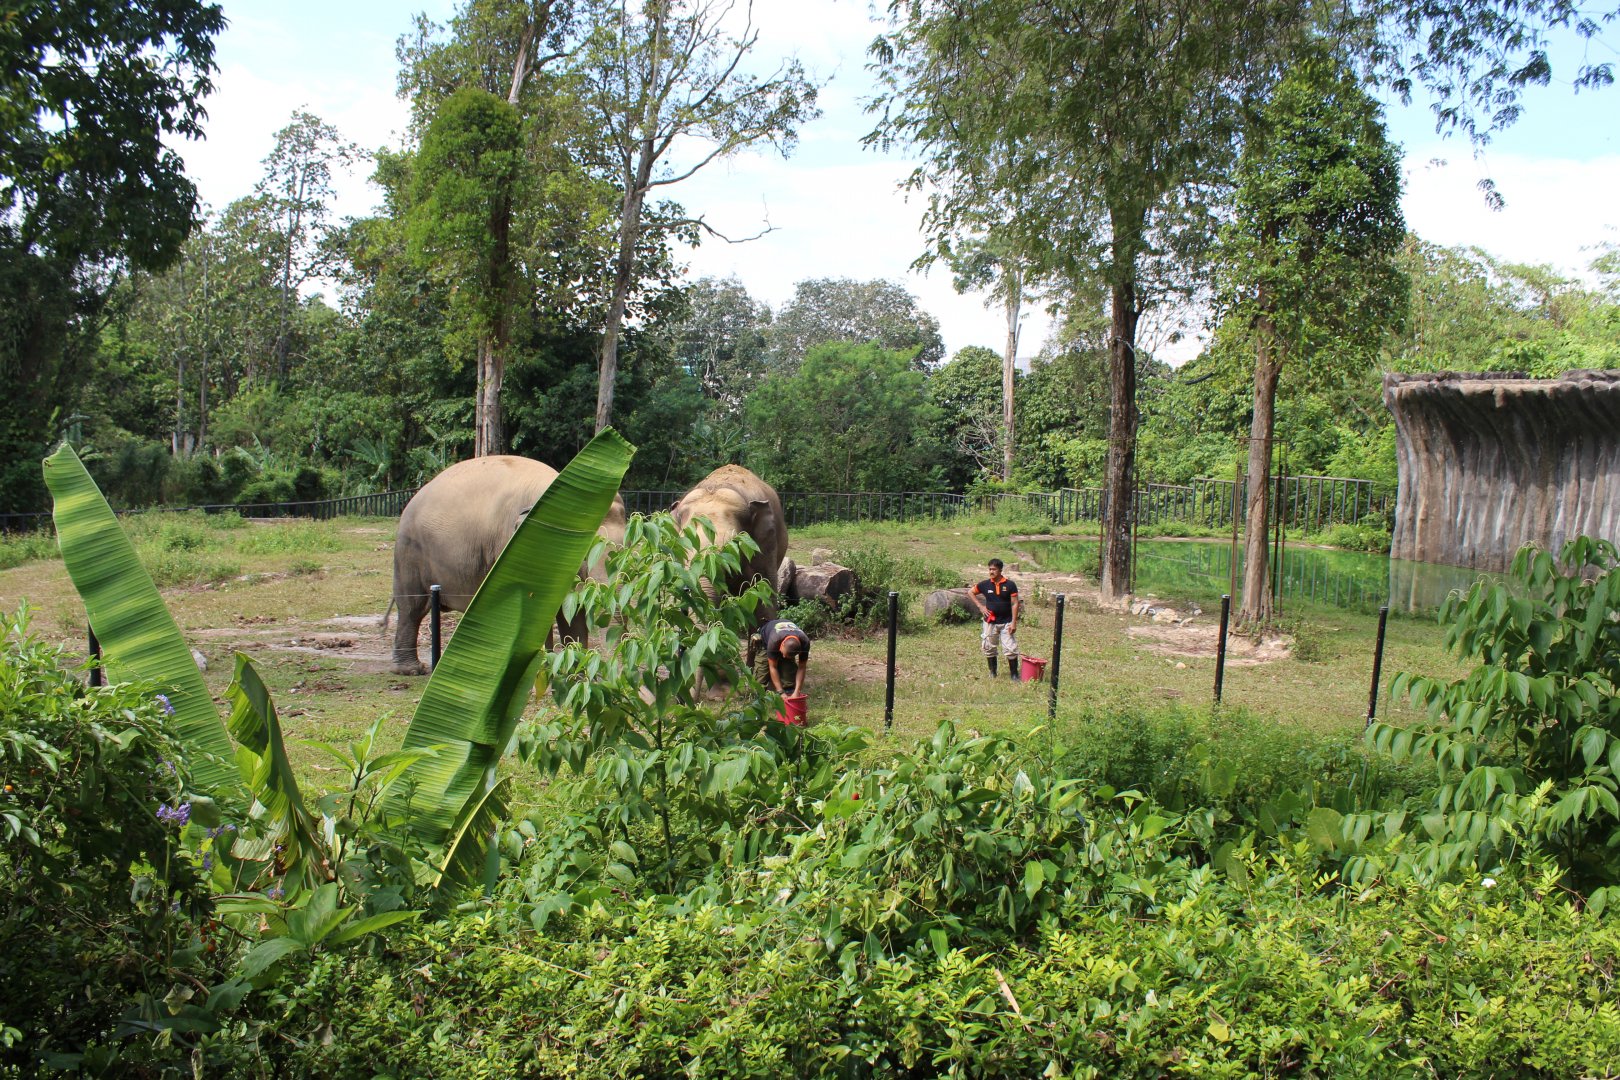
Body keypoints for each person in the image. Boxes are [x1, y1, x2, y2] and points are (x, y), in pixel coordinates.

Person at [971, 558, 1021, 680]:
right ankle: (993, 673)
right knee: (989, 647)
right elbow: (970, 592)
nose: (991, 572)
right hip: (990, 623)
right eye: (990, 569)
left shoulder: (1010, 585)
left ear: (1000, 570)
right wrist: (980, 606)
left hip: (1006, 622)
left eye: (994, 569)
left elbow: (1015, 603)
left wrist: (1014, 623)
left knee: (1011, 649)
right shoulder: (985, 584)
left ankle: (1014, 675)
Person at [760, 616, 810, 697]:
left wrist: (797, 691)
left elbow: (802, 667)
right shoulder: (774, 641)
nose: (783, 656)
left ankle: (789, 691)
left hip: (785, 637)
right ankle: (760, 696)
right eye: (783, 653)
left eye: (785, 655)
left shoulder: (805, 642)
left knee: (788, 671)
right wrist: (781, 692)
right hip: (766, 637)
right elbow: (773, 667)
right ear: (782, 644)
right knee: (761, 673)